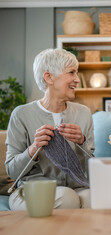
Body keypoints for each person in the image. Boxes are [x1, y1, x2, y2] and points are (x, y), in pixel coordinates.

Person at [6, 48, 94, 210]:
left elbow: (92, 167)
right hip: (33, 189)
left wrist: (82, 142)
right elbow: (12, 171)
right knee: (67, 198)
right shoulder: (21, 114)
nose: (77, 79)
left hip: (78, 187)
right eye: (71, 73)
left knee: (93, 199)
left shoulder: (83, 113)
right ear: (49, 77)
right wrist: (33, 149)